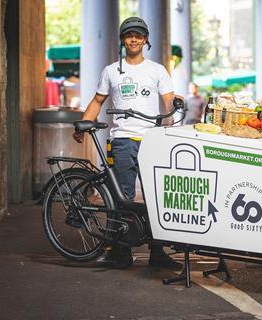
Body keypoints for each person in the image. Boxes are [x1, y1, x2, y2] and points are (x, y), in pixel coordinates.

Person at [73, 17, 181, 270]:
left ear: (145, 40)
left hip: (152, 140)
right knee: (123, 196)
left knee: (157, 196)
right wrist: (83, 122)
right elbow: (98, 101)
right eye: (129, 35)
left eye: (139, 35)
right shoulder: (111, 71)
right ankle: (120, 251)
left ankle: (157, 251)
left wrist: (172, 121)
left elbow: (168, 100)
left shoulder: (157, 70)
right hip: (122, 140)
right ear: (123, 40)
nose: (134, 39)